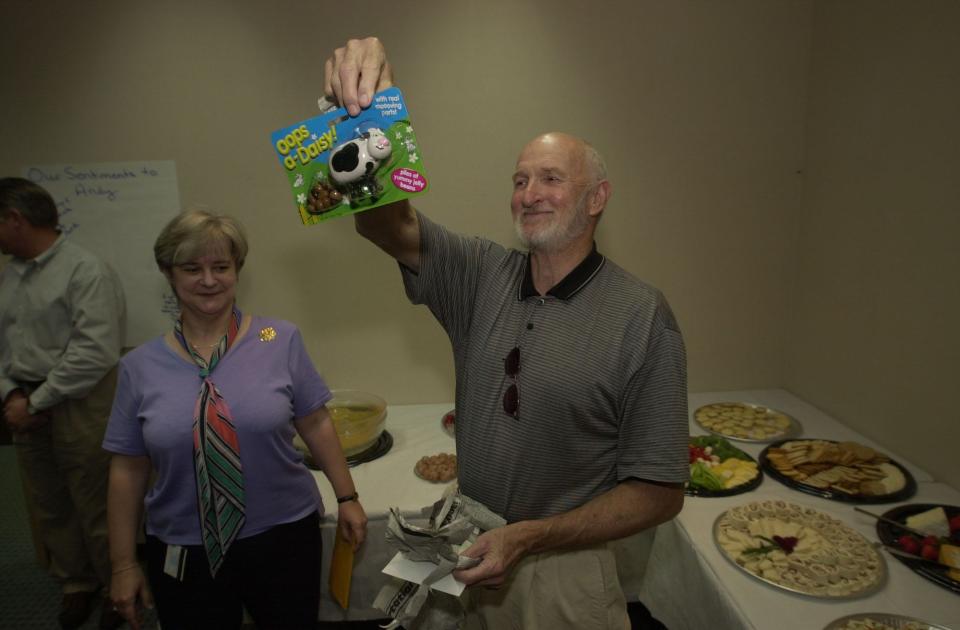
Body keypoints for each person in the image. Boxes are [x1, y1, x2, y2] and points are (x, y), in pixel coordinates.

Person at [324, 38, 689, 630]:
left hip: (566, 571)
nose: (529, 194)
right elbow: (385, 225)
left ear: (597, 198)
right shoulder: (478, 274)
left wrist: (532, 537)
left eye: (550, 178)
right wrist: (366, 117)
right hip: (468, 546)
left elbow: (660, 490)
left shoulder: (642, 315)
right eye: (520, 180)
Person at [103, 209, 368, 630]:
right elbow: (127, 469)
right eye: (192, 268)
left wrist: (347, 497)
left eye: (221, 267)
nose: (208, 280)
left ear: (237, 270)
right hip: (183, 545)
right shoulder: (139, 366)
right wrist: (122, 565)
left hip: (283, 534)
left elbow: (315, 422)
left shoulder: (276, 338)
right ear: (168, 273)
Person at [0, 177, 127, 630]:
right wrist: (11, 394)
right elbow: (4, 342)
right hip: (26, 399)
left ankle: (119, 587)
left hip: (80, 399)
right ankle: (77, 581)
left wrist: (36, 402)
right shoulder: (10, 273)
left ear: (15, 219)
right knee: (48, 498)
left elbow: (95, 351)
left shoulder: (83, 270)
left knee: (94, 497)